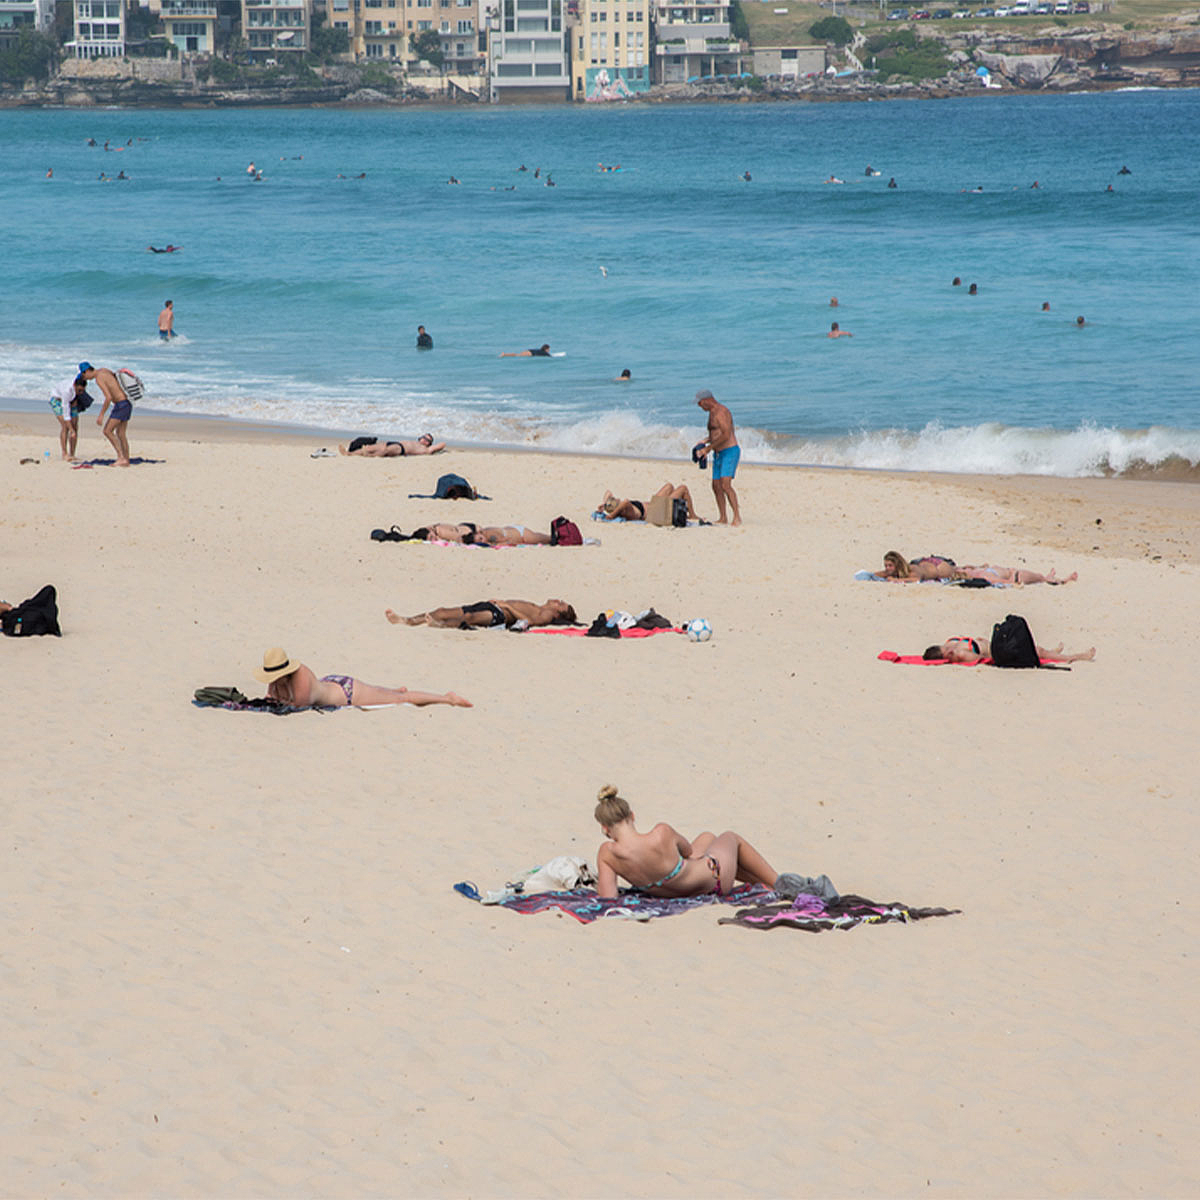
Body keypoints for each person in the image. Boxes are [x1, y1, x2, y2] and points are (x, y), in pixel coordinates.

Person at [592, 784, 778, 900]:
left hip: (680, 890)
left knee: (707, 837)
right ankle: (780, 883)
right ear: (632, 815)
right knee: (730, 838)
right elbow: (688, 851)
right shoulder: (660, 833)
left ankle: (766, 885)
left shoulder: (607, 854)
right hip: (714, 882)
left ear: (605, 829)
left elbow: (608, 897)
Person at [253, 647, 471, 708]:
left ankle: (447, 698)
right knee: (382, 692)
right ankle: (396, 689)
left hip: (347, 693)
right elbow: (274, 697)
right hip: (333, 683)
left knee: (400, 701)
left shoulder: (300, 675)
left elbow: (299, 704)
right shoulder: (277, 681)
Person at [694, 389, 740, 526]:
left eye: (700, 404)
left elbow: (726, 434)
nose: (699, 407)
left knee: (726, 484)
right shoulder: (712, 413)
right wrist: (705, 441)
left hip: (729, 451)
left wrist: (707, 449)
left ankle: (737, 516)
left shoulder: (722, 412)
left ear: (707, 401)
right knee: (716, 485)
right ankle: (723, 517)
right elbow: (716, 433)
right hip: (718, 452)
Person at [386, 598, 577, 629]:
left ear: (559, 612)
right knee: (444, 610)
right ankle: (408, 620)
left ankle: (441, 625)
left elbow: (531, 622)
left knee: (469, 618)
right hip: (495, 605)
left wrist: (507, 607)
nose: (557, 600)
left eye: (561, 604)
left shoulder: (547, 615)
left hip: (501, 615)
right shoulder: (540, 606)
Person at [79, 362, 133, 467]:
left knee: (107, 431)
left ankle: (121, 457)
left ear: (87, 371)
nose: (85, 378)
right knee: (121, 433)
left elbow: (108, 397)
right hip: (127, 403)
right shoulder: (104, 370)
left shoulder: (99, 378)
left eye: (83, 375)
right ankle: (126, 459)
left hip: (121, 405)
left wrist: (101, 415)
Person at [922, 637, 1094, 665]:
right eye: (946, 651)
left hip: (996, 644)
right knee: (1037, 651)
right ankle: (1075, 657)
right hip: (999, 651)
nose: (948, 648)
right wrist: (955, 657)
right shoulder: (959, 655)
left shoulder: (951, 644)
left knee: (1037, 648)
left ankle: (1053, 652)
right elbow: (980, 659)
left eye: (945, 647)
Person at [600, 482, 699, 522]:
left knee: (669, 486)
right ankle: (693, 515)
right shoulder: (626, 510)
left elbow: (608, 492)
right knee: (683, 488)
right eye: (615, 500)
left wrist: (603, 504)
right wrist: (611, 515)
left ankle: (682, 511)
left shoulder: (622, 508)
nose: (616, 498)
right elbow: (625, 502)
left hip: (654, 505)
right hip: (656, 512)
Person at [48, 373, 92, 461]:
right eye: (79, 390)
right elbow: (66, 414)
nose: (81, 393)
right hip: (58, 401)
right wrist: (71, 429)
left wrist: (73, 429)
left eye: (82, 391)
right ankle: (64, 453)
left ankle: (72, 454)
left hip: (72, 400)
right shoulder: (66, 391)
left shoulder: (78, 387)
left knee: (75, 426)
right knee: (66, 426)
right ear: (74, 385)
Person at [953, 563, 1078, 585]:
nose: (965, 568)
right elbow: (1008, 582)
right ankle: (1065, 580)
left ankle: (1051, 577)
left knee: (1040, 577)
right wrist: (1013, 573)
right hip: (1018, 575)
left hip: (1016, 572)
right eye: (964, 570)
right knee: (1041, 578)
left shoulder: (978, 570)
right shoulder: (984, 576)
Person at [876, 551, 958, 582]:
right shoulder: (892, 570)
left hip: (938, 566)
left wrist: (896, 580)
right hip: (922, 562)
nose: (887, 568)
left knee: (956, 570)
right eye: (886, 565)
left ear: (898, 565)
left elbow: (916, 579)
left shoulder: (912, 570)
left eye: (890, 565)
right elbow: (878, 574)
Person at [339, 434, 445, 456]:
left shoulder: (427, 449)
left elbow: (442, 444)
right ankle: (349, 453)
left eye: (425, 437)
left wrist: (430, 444)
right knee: (369, 447)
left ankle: (368, 455)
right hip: (396, 443)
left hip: (401, 449)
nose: (422, 438)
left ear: (428, 442)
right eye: (423, 436)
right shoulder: (416, 442)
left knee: (384, 451)